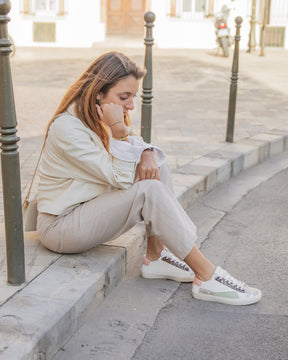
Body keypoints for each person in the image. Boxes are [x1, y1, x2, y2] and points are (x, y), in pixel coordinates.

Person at [36, 51, 262, 306]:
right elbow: (120, 177)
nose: (131, 105)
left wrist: (145, 152)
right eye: (125, 97)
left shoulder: (95, 116)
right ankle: (206, 274)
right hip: (60, 227)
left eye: (133, 97)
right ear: (99, 92)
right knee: (148, 190)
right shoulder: (67, 127)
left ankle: (155, 256)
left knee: (157, 167)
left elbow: (139, 149)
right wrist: (119, 131)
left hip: (88, 210)